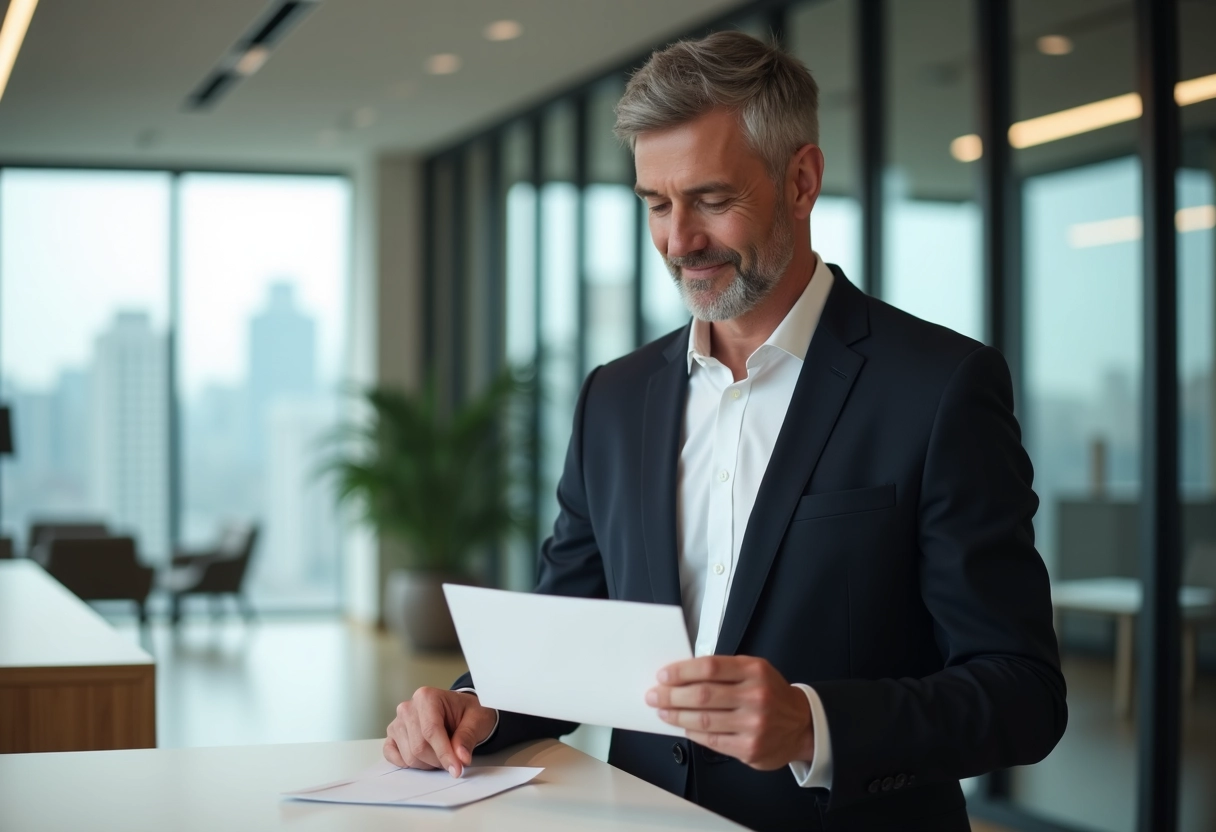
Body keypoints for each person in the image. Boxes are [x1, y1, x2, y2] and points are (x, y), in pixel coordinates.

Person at [384, 30, 1066, 831]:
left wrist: (813, 723)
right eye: (655, 204)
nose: (679, 242)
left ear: (802, 181)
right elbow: (563, 638)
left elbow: (1022, 691)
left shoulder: (939, 387)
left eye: (711, 199)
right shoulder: (615, 396)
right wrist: (476, 705)